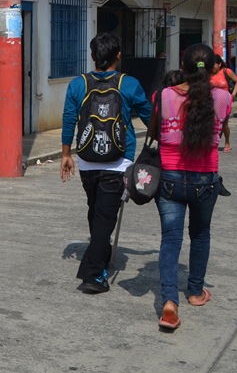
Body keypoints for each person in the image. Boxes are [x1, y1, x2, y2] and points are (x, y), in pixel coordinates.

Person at [60, 33, 151, 293]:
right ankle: (92, 275)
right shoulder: (129, 84)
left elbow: (69, 119)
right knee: (105, 216)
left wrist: (67, 154)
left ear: (92, 56)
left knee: (96, 210)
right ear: (118, 56)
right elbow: (149, 118)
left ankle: (100, 253)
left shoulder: (78, 84)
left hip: (87, 159)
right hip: (119, 161)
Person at [153, 44, 232, 332]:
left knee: (170, 240)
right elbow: (221, 127)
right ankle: (196, 292)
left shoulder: (165, 95)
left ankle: (170, 302)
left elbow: (153, 131)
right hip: (204, 178)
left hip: (170, 177)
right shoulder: (223, 97)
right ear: (214, 68)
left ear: (183, 65)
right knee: (200, 235)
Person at [210, 56, 237, 152]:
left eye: (213, 65)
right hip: (212, 101)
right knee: (213, 123)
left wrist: (234, 93)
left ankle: (227, 141)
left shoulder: (226, 71)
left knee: (224, 124)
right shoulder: (208, 73)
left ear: (219, 64)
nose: (212, 67)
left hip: (225, 101)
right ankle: (215, 142)